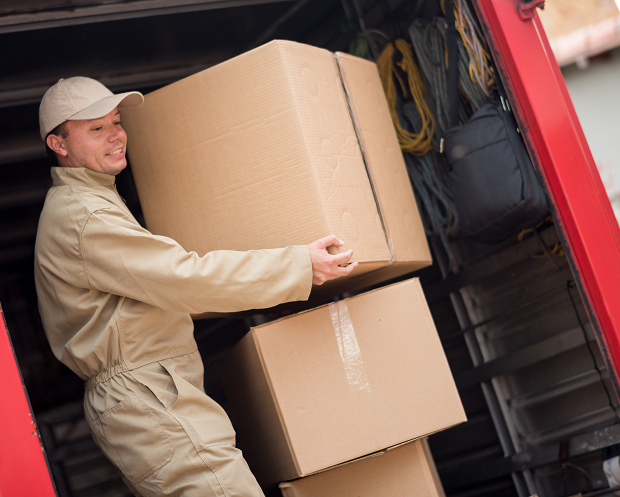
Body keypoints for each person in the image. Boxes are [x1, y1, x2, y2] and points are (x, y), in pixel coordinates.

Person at [34, 76, 358, 497]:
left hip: (150, 394)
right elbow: (185, 279)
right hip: (147, 397)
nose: (116, 135)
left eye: (115, 121)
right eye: (97, 129)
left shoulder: (91, 201)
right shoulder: (84, 216)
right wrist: (299, 265)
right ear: (58, 145)